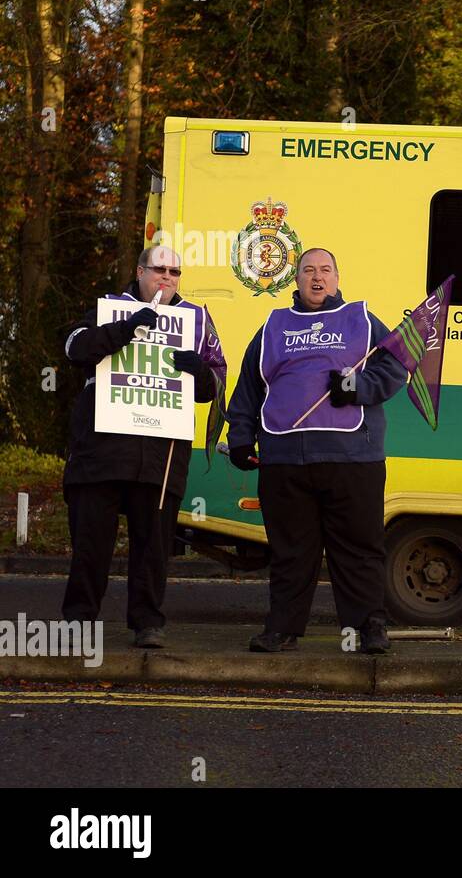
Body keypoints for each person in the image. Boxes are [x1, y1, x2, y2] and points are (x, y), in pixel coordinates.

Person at [226, 248, 407, 654]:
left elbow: (394, 368)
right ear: (297, 280)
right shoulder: (274, 326)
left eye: (325, 270)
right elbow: (249, 389)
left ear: (338, 278)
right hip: (284, 460)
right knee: (291, 553)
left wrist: (357, 388)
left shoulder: (360, 320)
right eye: (309, 270)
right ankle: (282, 629)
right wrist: (240, 436)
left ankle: (368, 628)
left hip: (352, 459)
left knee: (359, 549)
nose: (317, 277)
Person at [61, 245, 227, 648]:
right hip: (101, 449)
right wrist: (125, 330)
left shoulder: (195, 319)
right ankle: (79, 621)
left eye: (175, 271)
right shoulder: (110, 308)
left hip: (160, 453)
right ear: (139, 272)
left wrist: (200, 373)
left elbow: (217, 384)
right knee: (91, 544)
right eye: (159, 269)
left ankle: (147, 623)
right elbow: (73, 348)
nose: (167, 277)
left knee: (153, 547)